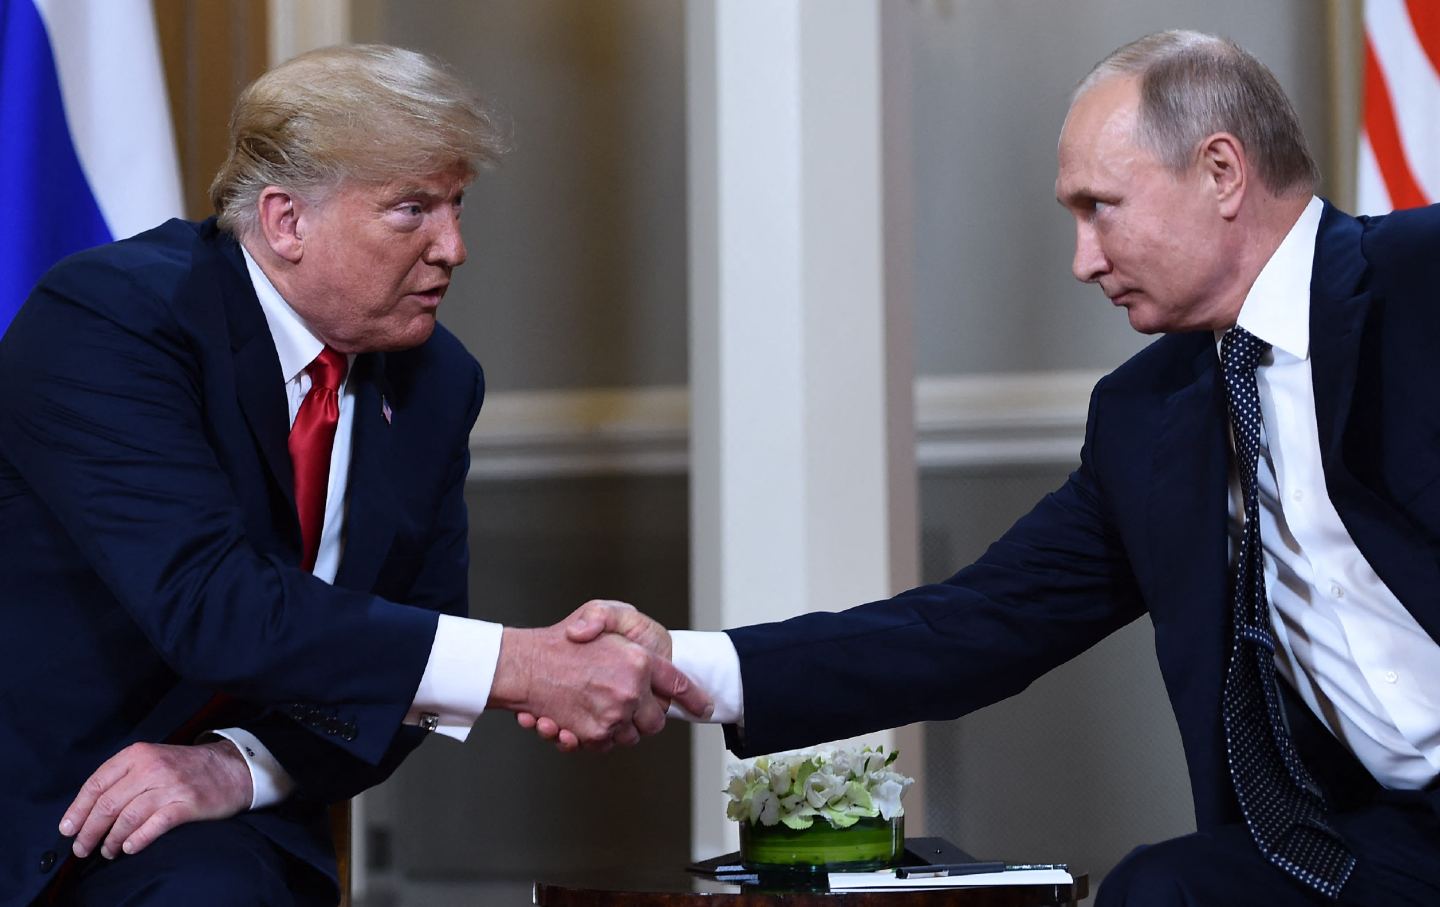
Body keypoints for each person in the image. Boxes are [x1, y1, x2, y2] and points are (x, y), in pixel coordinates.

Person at [548, 30, 1440, 907]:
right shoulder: (1145, 418)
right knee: (1160, 888)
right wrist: (691, 666)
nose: (1083, 260)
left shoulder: (1419, 282)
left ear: (1221, 172)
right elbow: (977, 622)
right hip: (1382, 840)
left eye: (1101, 208)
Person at [0, 45, 710, 907]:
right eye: (411, 209)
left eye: (456, 204)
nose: (453, 247)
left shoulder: (438, 382)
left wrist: (243, 766)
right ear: (286, 220)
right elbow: (210, 603)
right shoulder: (114, 319)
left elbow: (408, 654)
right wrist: (521, 663)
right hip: (49, 804)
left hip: (232, 825)